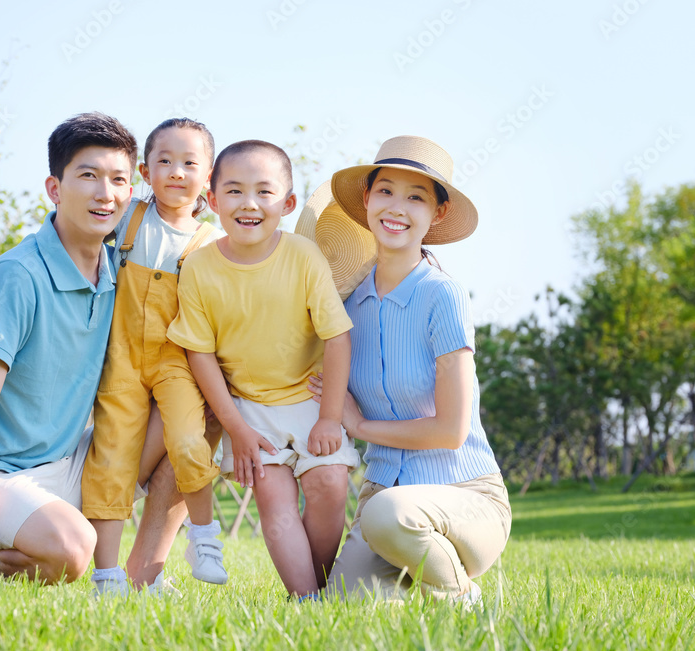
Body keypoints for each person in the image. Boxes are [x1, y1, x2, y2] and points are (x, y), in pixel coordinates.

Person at [0, 112, 181, 589]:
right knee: (72, 549)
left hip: (71, 464)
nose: (104, 193)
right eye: (87, 176)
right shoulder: (18, 275)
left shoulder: (121, 274)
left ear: (131, 193)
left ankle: (143, 575)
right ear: (54, 188)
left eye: (118, 180)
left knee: (191, 412)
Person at [310, 136, 511, 605]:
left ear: (437, 214)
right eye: (385, 191)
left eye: (416, 197)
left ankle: (461, 597)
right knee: (346, 607)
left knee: (387, 514)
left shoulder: (443, 295)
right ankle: (419, 581)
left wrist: (359, 426)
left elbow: (450, 430)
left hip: (465, 498)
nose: (396, 208)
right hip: (383, 497)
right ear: (366, 200)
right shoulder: (348, 306)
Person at [168, 140, 360, 598]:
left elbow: (337, 336)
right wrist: (235, 426)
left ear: (288, 204)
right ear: (211, 200)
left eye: (264, 192)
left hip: (314, 399)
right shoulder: (199, 268)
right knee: (274, 501)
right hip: (250, 409)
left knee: (330, 485)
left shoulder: (302, 256)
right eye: (233, 191)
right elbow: (201, 354)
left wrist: (331, 416)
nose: (249, 204)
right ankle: (307, 600)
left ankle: (319, 586)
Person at [82, 118, 227, 595]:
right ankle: (106, 577)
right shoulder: (130, 219)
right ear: (144, 171)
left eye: (190, 163)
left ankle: (198, 541)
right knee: (111, 460)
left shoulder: (211, 244)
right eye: (164, 161)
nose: (176, 172)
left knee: (190, 442)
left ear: (208, 177)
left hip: (175, 363)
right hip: (121, 359)